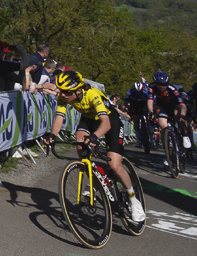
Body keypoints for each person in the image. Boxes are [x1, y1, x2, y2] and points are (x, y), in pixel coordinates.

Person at [45, 70, 145, 224]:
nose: (62, 94)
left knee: (114, 165)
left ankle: (133, 199)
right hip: (89, 119)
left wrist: (94, 137)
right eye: (60, 90)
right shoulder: (64, 97)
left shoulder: (92, 95)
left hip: (109, 120)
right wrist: (52, 135)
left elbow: (105, 123)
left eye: (66, 91)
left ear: (78, 90)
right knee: (80, 146)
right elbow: (59, 117)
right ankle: (96, 179)